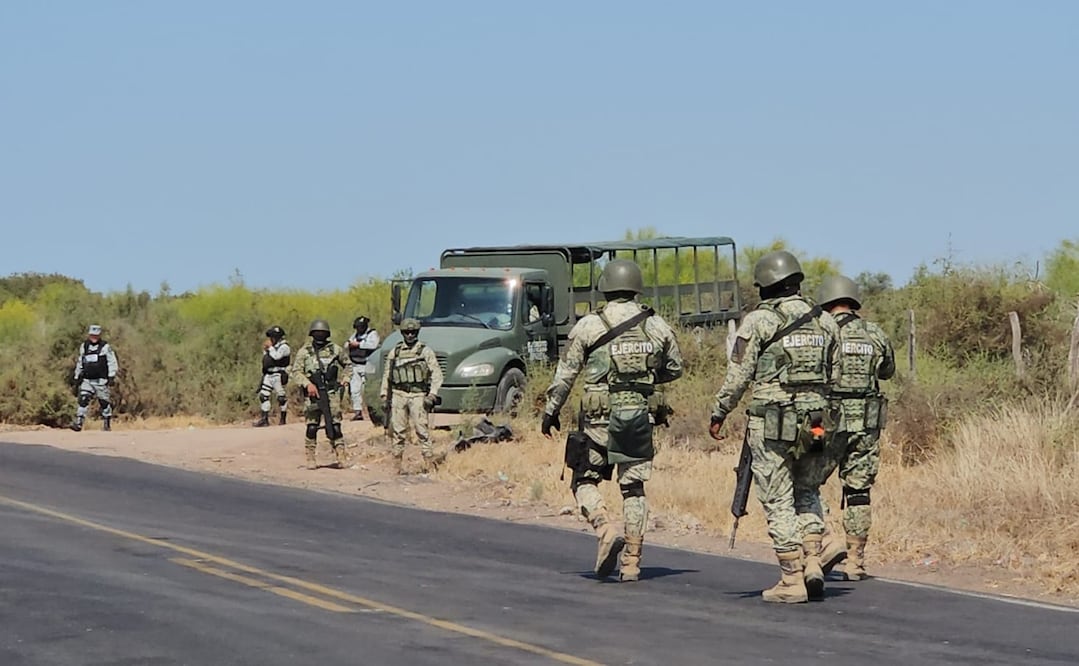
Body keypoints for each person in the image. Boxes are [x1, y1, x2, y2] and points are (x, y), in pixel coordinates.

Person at [708, 250, 840, 603]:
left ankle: (791, 579)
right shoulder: (824, 320)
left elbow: (738, 377)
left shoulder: (758, 322)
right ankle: (814, 559)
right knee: (809, 488)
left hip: (773, 422)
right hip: (816, 421)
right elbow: (836, 374)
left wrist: (719, 411)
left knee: (778, 497)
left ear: (766, 285)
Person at [541, 259, 683, 582]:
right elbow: (675, 367)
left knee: (584, 479)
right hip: (638, 418)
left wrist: (551, 411)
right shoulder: (656, 325)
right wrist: (645, 379)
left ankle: (604, 529)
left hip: (598, 421)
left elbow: (565, 374)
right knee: (633, 488)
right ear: (636, 287)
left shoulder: (590, 325)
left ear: (606, 287)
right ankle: (632, 563)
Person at [814, 275, 896, 581]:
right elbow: (887, 370)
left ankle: (823, 541)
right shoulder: (874, 333)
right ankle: (856, 562)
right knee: (858, 492)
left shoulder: (822, 330)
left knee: (805, 482)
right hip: (867, 421)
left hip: (825, 421)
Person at [378, 318, 444, 474]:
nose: (409, 335)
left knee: (422, 430)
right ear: (402, 333)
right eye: (406, 332)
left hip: (418, 395)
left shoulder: (425, 351)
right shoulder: (396, 351)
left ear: (417, 332)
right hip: (398, 394)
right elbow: (387, 374)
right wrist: (383, 395)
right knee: (398, 431)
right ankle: (397, 465)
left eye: (412, 332)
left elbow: (437, 374)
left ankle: (429, 463)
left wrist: (432, 394)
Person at [289, 319, 352, 470]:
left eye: (322, 333)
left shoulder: (335, 350)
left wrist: (345, 379)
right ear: (312, 334)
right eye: (317, 333)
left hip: (331, 392)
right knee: (312, 426)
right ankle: (311, 458)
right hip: (313, 393)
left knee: (335, 425)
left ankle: (341, 457)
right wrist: (307, 384)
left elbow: (348, 365)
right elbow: (296, 371)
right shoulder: (305, 352)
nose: (320, 335)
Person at [70, 324, 119, 432]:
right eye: (92, 335)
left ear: (99, 335)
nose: (94, 337)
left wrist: (111, 376)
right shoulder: (84, 346)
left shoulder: (105, 347)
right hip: (87, 380)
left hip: (101, 380)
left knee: (104, 402)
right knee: (83, 399)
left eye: (96, 335)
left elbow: (112, 361)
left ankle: (106, 423)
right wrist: (77, 376)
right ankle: (79, 423)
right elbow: (80, 362)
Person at [254, 326, 291, 427]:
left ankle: (283, 419)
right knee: (263, 395)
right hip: (268, 375)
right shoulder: (273, 347)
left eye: (272, 337)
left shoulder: (284, 347)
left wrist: (270, 348)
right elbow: (267, 358)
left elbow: (276, 357)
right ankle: (264, 419)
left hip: (278, 375)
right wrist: (266, 350)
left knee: (281, 397)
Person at [346, 316, 380, 420]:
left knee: (368, 390)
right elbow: (346, 344)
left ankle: (373, 412)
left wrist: (359, 344)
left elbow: (373, 345)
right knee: (354, 389)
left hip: (368, 365)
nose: (359, 329)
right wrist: (350, 344)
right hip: (355, 365)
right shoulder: (355, 335)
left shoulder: (372, 334)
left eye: (360, 327)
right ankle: (358, 412)